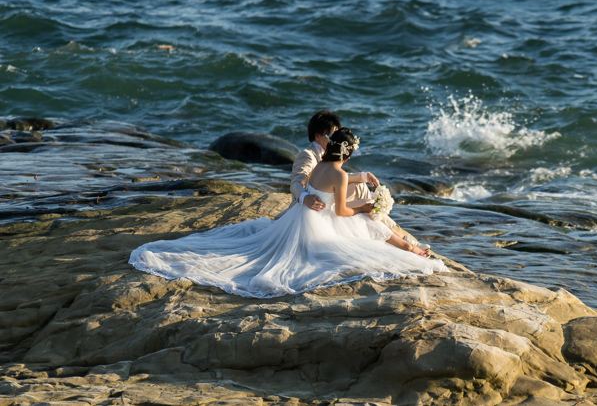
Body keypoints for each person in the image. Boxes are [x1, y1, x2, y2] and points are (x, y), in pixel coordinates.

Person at [128, 127, 447, 298]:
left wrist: (362, 179)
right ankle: (414, 249)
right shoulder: (338, 173)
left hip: (304, 217)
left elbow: (332, 181)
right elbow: (344, 210)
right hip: (322, 221)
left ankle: (412, 247)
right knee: (369, 223)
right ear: (347, 153)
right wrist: (367, 205)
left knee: (371, 223)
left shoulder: (323, 164)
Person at [289, 110, 423, 249]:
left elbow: (334, 178)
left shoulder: (328, 155)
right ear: (317, 136)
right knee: (366, 203)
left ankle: (398, 235)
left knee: (360, 185)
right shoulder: (307, 155)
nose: (335, 139)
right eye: (332, 135)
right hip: (314, 209)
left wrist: (363, 176)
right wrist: (305, 197)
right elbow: (296, 184)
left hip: (326, 201)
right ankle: (401, 239)